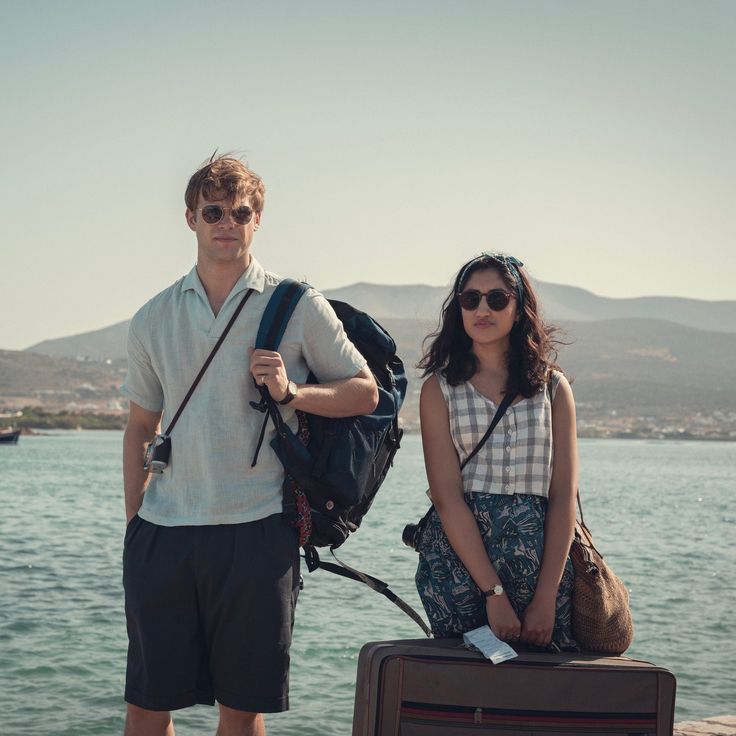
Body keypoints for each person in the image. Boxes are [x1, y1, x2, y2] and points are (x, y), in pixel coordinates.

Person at [121, 154, 378, 736]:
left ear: (257, 219)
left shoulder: (295, 305)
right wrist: (135, 522)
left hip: (258, 529)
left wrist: (293, 392)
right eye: (214, 211)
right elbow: (141, 426)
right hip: (162, 533)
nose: (227, 223)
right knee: (146, 707)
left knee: (241, 711)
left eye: (242, 212)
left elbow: (365, 393)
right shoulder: (152, 317)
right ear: (190, 218)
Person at [414, 252, 578, 651]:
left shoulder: (553, 389)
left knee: (542, 694)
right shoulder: (439, 390)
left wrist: (545, 598)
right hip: (460, 567)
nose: (482, 309)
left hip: (543, 566)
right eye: (470, 300)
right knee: (469, 689)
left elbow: (562, 498)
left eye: (497, 299)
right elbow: (446, 497)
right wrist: (494, 594)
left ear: (519, 308)